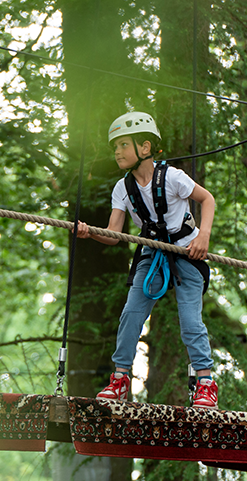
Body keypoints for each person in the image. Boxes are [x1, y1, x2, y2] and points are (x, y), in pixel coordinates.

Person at [72, 111, 220, 408]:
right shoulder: (122, 188)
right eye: (115, 147)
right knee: (131, 313)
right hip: (152, 255)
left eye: (123, 145)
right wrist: (90, 234)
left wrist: (203, 236)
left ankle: (205, 383)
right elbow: (114, 234)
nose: (117, 151)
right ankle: (120, 379)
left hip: (187, 251)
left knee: (190, 320)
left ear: (145, 147)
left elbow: (207, 199)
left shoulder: (173, 177)